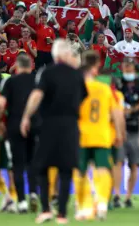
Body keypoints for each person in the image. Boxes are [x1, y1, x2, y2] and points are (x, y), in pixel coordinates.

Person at [19, 40, 88, 224]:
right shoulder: (77, 75)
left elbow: (36, 96)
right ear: (67, 54)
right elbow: (83, 98)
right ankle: (63, 215)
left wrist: (26, 116)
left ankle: (46, 210)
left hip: (48, 124)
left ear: (55, 55)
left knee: (42, 167)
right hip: (71, 125)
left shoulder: (47, 72)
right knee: (66, 170)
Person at [73, 51, 125, 221]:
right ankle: (102, 204)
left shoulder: (76, 89)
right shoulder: (104, 89)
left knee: (80, 172)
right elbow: (117, 114)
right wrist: (119, 133)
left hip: (81, 136)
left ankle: (85, 207)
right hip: (102, 135)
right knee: (103, 169)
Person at [0, 54, 39, 213]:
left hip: (15, 125)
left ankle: (22, 202)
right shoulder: (37, 81)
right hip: (35, 125)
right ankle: (33, 193)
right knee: (32, 162)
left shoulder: (10, 81)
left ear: (17, 66)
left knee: (18, 165)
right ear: (31, 66)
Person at [113, 59, 139, 208]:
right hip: (119, 129)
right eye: (125, 67)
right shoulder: (117, 83)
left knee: (134, 164)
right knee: (118, 162)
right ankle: (116, 195)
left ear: (135, 68)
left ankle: (128, 197)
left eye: (129, 67)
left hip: (135, 128)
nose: (127, 70)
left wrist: (132, 110)